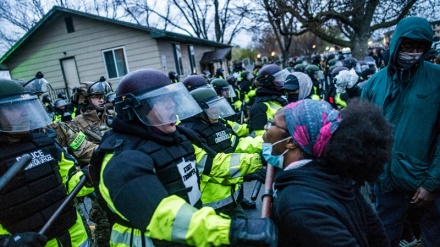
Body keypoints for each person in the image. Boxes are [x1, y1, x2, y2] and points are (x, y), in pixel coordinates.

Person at [91, 69, 277, 247]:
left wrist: (258, 159)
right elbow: (161, 214)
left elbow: (214, 165)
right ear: (137, 109)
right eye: (162, 101)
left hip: (186, 238)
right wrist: (231, 230)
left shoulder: (177, 138)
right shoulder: (122, 159)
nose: (172, 105)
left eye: (171, 99)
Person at [265, 99, 393, 247]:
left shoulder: (298, 206)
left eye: (272, 123)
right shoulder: (337, 177)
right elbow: (378, 237)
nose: (266, 127)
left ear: (291, 142)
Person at [361, 17, 440, 247]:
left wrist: (432, 184)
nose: (414, 53)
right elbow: (364, 130)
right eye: (408, 47)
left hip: (427, 184)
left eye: (420, 48)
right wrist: (369, 174)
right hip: (386, 183)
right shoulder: (375, 83)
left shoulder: (436, 78)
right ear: (396, 45)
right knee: (382, 239)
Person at [0, 79, 91, 247]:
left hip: (76, 237)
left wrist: (90, 177)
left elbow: (69, 180)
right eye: (13, 107)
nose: (24, 112)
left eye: (24, 105)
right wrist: (6, 242)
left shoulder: (43, 141)